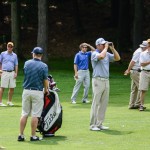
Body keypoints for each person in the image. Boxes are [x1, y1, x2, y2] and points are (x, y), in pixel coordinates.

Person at [18, 47, 49, 141]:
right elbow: (45, 80)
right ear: (41, 55)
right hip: (37, 91)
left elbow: (26, 73)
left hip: (26, 90)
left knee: (24, 113)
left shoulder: (27, 63)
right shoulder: (44, 66)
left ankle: (21, 135)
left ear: (33, 54)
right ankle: (33, 136)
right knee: (35, 115)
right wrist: (46, 89)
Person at [90, 38, 120, 131]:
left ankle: (99, 124)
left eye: (104, 44)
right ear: (98, 45)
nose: (104, 45)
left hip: (106, 80)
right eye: (102, 44)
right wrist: (106, 48)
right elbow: (101, 56)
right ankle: (92, 125)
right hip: (97, 80)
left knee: (103, 104)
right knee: (96, 103)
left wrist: (112, 49)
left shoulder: (106, 53)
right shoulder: (94, 53)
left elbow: (117, 58)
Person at [124, 41, 149, 109]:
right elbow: (132, 61)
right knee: (141, 88)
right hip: (136, 71)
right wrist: (128, 70)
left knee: (134, 89)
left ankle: (132, 104)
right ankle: (138, 104)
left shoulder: (139, 51)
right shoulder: (139, 52)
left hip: (135, 71)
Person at [0, 42, 18, 107]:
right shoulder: (3, 54)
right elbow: (0, 63)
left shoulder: (15, 55)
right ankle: (0, 102)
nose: (9, 48)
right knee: (2, 87)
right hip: (4, 72)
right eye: (8, 46)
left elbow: (16, 65)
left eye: (11, 47)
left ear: (12, 47)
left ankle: (9, 101)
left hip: (12, 72)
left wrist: (16, 73)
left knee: (12, 87)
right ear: (7, 47)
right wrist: (0, 71)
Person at [138, 40, 150, 111]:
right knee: (143, 89)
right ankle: (141, 105)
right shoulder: (143, 54)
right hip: (144, 72)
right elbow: (142, 64)